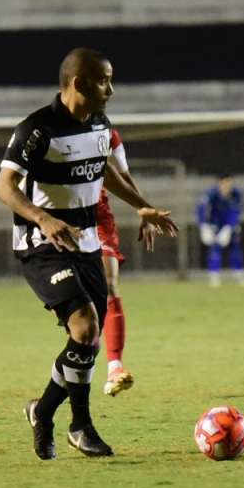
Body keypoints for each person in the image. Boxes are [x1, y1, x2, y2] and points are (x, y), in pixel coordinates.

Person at [0, 47, 177, 461]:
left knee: (86, 341)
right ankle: (81, 426)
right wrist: (43, 219)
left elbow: (103, 169)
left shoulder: (99, 123)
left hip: (87, 243)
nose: (110, 89)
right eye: (103, 81)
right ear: (79, 83)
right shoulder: (37, 129)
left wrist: (141, 206)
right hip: (43, 244)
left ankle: (43, 412)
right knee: (85, 325)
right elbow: (4, 187)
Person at [97, 129, 154, 398]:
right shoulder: (53, 130)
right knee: (78, 308)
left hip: (98, 218)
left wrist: (144, 208)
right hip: (62, 218)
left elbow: (122, 175)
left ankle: (115, 367)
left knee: (109, 285)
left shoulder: (108, 133)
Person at [197, 174, 244, 287]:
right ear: (219, 184)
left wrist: (230, 227)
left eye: (228, 185)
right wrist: (203, 225)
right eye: (224, 185)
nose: (226, 188)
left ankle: (239, 274)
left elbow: (236, 211)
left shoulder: (236, 194)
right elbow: (201, 209)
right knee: (215, 248)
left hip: (230, 225)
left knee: (235, 248)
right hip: (215, 225)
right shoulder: (211, 194)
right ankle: (214, 276)